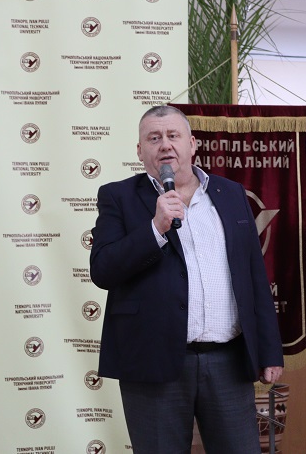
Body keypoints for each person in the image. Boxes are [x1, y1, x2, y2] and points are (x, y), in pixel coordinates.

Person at [90, 105, 284, 453]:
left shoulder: (231, 194)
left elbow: (254, 275)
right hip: (152, 364)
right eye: (154, 138)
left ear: (192, 144)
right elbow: (103, 269)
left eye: (173, 135)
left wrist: (270, 350)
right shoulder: (118, 196)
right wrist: (155, 228)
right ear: (140, 151)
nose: (165, 144)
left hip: (227, 362)